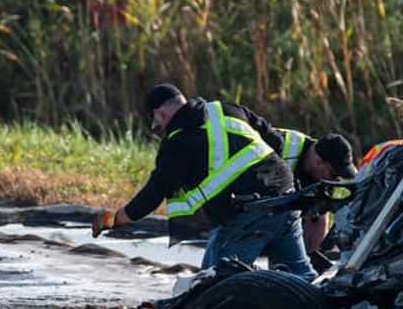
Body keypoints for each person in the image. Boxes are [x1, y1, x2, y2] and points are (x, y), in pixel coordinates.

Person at [92, 83, 317, 280]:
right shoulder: (226, 109)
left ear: (159, 114)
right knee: (300, 276)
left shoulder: (177, 142)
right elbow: (276, 142)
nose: (160, 129)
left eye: (157, 124)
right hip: (287, 196)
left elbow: (154, 192)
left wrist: (115, 219)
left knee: (216, 286)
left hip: (251, 212)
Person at [275, 128, 357, 252]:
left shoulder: (323, 172)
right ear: (318, 162)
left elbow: (317, 219)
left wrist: (316, 258)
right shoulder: (279, 149)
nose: (336, 181)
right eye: (334, 175)